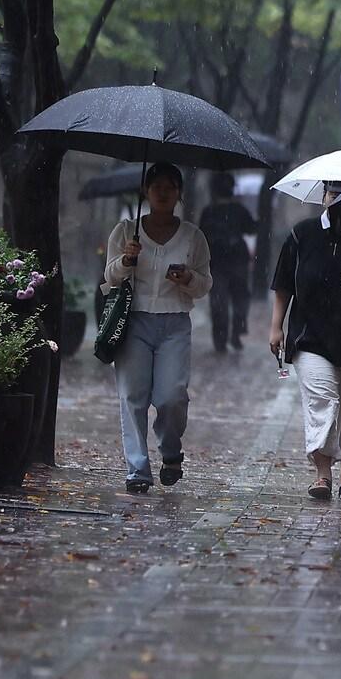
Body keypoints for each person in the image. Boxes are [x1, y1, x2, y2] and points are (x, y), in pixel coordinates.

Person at [269, 181, 341, 500]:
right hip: (311, 337)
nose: (339, 201)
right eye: (334, 194)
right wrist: (276, 326)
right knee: (322, 399)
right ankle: (322, 474)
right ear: (323, 196)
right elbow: (284, 284)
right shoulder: (303, 234)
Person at [102, 163, 212, 493]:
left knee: (171, 396)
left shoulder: (193, 236)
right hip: (134, 321)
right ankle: (137, 468)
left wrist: (187, 278)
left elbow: (205, 284)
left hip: (174, 323)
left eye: (170, 186)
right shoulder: (125, 231)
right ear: (145, 192)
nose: (163, 192)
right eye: (156, 186)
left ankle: (170, 450)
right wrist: (126, 260)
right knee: (132, 396)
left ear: (179, 194)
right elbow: (109, 278)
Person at [199, 172, 257, 351]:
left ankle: (222, 337)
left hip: (219, 262)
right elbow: (251, 228)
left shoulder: (209, 211)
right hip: (231, 261)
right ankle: (233, 334)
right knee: (237, 300)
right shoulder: (237, 210)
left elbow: (201, 235)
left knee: (221, 302)